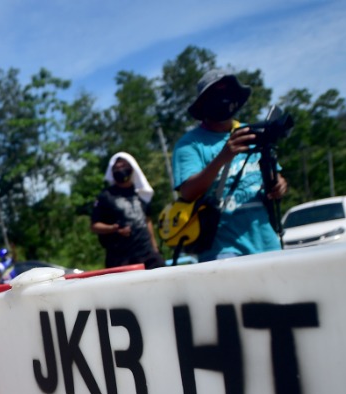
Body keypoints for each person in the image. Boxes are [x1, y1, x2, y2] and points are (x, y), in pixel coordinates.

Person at [172, 68, 289, 262]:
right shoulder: (190, 144)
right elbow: (188, 191)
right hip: (223, 250)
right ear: (203, 104)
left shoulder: (251, 132)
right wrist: (223, 156)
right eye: (216, 95)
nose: (223, 100)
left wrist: (280, 185)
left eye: (227, 93)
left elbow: (276, 177)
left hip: (267, 243)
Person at [90, 152, 165, 269]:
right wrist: (114, 228)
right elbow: (95, 225)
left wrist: (154, 247)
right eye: (117, 167)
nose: (120, 169)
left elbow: (147, 220)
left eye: (123, 166)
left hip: (147, 253)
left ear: (132, 168)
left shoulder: (141, 193)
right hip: (120, 257)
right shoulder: (106, 196)